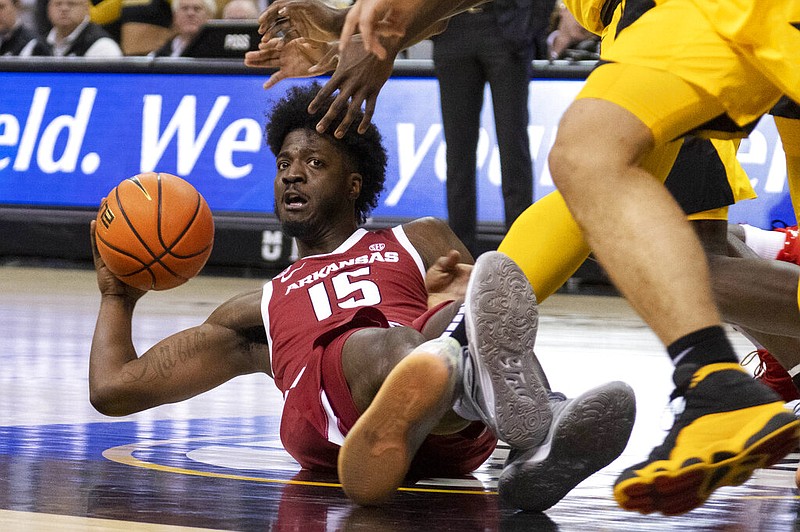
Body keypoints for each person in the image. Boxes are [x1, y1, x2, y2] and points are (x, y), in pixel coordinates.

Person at [252, 0, 800, 516]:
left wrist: (381, 25)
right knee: (616, 194)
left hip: (696, 19)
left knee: (632, 208)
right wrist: (371, 25)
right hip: (675, 29)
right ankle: (708, 385)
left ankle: (467, 354)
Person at [88, 83, 636, 511]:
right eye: (284, 164)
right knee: (412, 341)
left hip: (450, 435)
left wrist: (461, 303)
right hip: (331, 419)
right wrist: (118, 297)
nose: (293, 175)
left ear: (353, 184)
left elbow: (499, 333)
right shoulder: (259, 307)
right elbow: (114, 390)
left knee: (457, 322)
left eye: (313, 163)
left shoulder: (418, 239)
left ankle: (532, 442)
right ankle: (536, 422)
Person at [429, 0, 551, 256]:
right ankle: (462, 258)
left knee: (513, 147)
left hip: (507, 30)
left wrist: (532, 30)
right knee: (457, 153)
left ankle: (522, 255)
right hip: (452, 29)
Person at [46, 0, 122, 56]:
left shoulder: (104, 47)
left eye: (71, 4)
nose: (64, 9)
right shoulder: (36, 46)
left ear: (86, 8)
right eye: (58, 4)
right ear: (48, 8)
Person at [149, 0, 215, 57]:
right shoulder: (159, 55)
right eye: (184, 8)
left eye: (197, 9)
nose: (190, 13)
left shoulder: (217, 50)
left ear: (209, 17)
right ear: (175, 17)